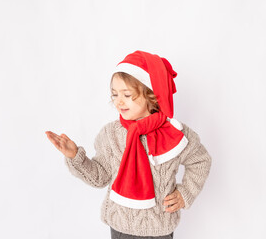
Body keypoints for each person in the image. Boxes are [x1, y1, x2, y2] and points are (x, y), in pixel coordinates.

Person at [45, 50, 212, 239]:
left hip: (160, 229)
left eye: (127, 94)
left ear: (152, 95)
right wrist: (75, 156)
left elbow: (201, 161)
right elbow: (100, 177)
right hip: (120, 227)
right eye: (114, 95)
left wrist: (185, 193)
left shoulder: (175, 133)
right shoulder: (111, 135)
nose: (119, 102)